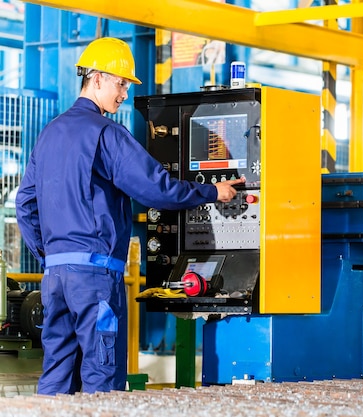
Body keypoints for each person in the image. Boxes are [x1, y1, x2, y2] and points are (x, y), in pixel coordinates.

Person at [15, 37, 245, 395]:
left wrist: (49, 254)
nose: (124, 94)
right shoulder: (106, 134)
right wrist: (213, 191)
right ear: (96, 79)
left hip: (55, 278)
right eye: (120, 83)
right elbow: (157, 188)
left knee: (56, 376)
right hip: (94, 279)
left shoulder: (49, 134)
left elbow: (25, 204)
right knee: (101, 379)